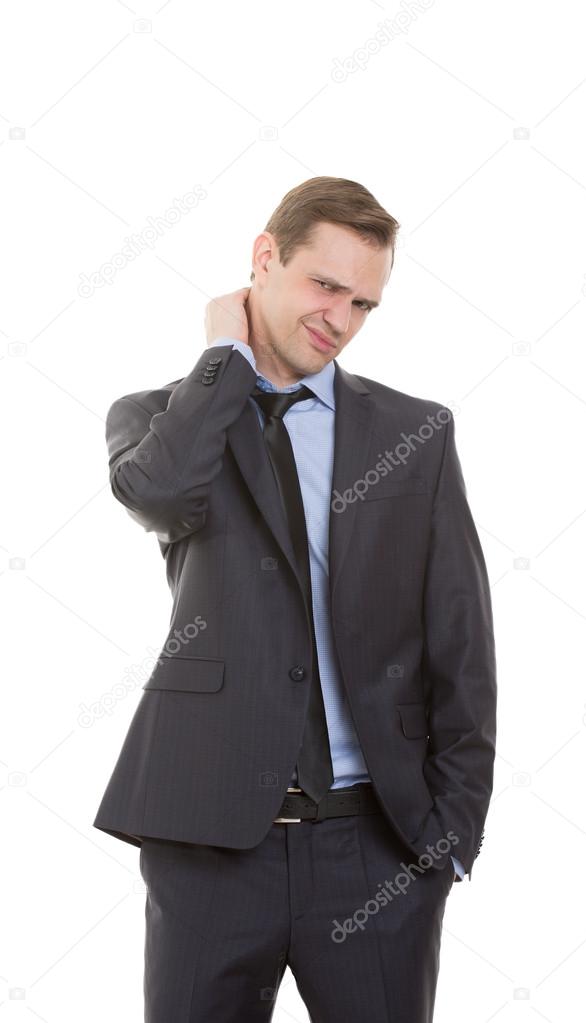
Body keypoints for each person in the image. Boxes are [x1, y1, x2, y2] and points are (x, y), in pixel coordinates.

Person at [93, 175, 497, 1022]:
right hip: (208, 841)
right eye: (325, 285)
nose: (341, 320)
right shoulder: (164, 419)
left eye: (363, 303)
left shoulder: (413, 435)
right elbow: (161, 496)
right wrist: (223, 359)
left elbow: (461, 640)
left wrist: (448, 840)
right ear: (263, 259)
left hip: (375, 847)